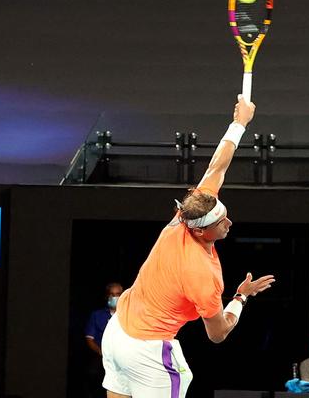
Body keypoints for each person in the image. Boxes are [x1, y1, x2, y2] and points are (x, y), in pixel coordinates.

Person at [102, 95, 275, 398]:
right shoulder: (202, 275)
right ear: (201, 231)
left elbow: (218, 166)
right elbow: (218, 334)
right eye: (221, 222)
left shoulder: (185, 216)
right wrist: (240, 298)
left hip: (116, 335)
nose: (229, 223)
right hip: (148, 352)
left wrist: (240, 123)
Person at [87, 282, 123, 357]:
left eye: (117, 294)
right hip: (101, 358)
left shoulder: (127, 315)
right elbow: (89, 339)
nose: (114, 297)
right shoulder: (97, 315)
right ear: (107, 296)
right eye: (112, 294)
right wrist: (100, 352)